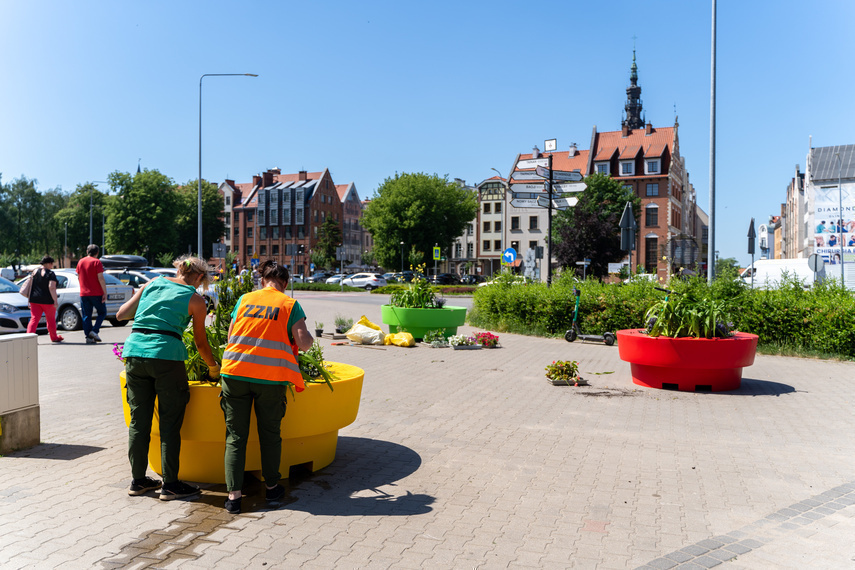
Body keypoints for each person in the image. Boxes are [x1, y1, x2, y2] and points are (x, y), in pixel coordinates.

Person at [116, 255, 219, 501]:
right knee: (169, 422)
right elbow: (201, 343)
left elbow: (121, 315)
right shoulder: (195, 299)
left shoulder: (152, 283)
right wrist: (213, 368)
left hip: (134, 354)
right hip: (166, 357)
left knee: (138, 422)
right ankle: (170, 484)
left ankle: (138, 481)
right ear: (200, 277)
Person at [219, 260, 314, 514]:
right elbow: (303, 344)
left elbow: (231, 336)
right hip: (269, 379)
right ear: (284, 284)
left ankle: (234, 498)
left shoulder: (244, 299)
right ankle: (272, 489)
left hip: (234, 373)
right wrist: (309, 337)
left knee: (235, 437)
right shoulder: (289, 304)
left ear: (263, 281)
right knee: (269, 435)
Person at [26, 255, 64, 343]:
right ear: (48, 263)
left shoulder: (35, 272)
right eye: (51, 264)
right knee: (50, 320)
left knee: (34, 319)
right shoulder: (51, 274)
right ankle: (54, 337)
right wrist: (55, 300)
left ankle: (28, 339)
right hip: (47, 301)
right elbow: (52, 287)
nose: (52, 266)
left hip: (34, 300)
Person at [76, 244, 107, 344]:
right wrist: (104, 292)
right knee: (102, 312)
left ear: (87, 251)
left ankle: (88, 337)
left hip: (84, 293)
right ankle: (94, 331)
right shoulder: (97, 262)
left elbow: (78, 276)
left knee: (86, 315)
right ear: (97, 252)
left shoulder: (81, 261)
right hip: (96, 292)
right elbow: (100, 278)